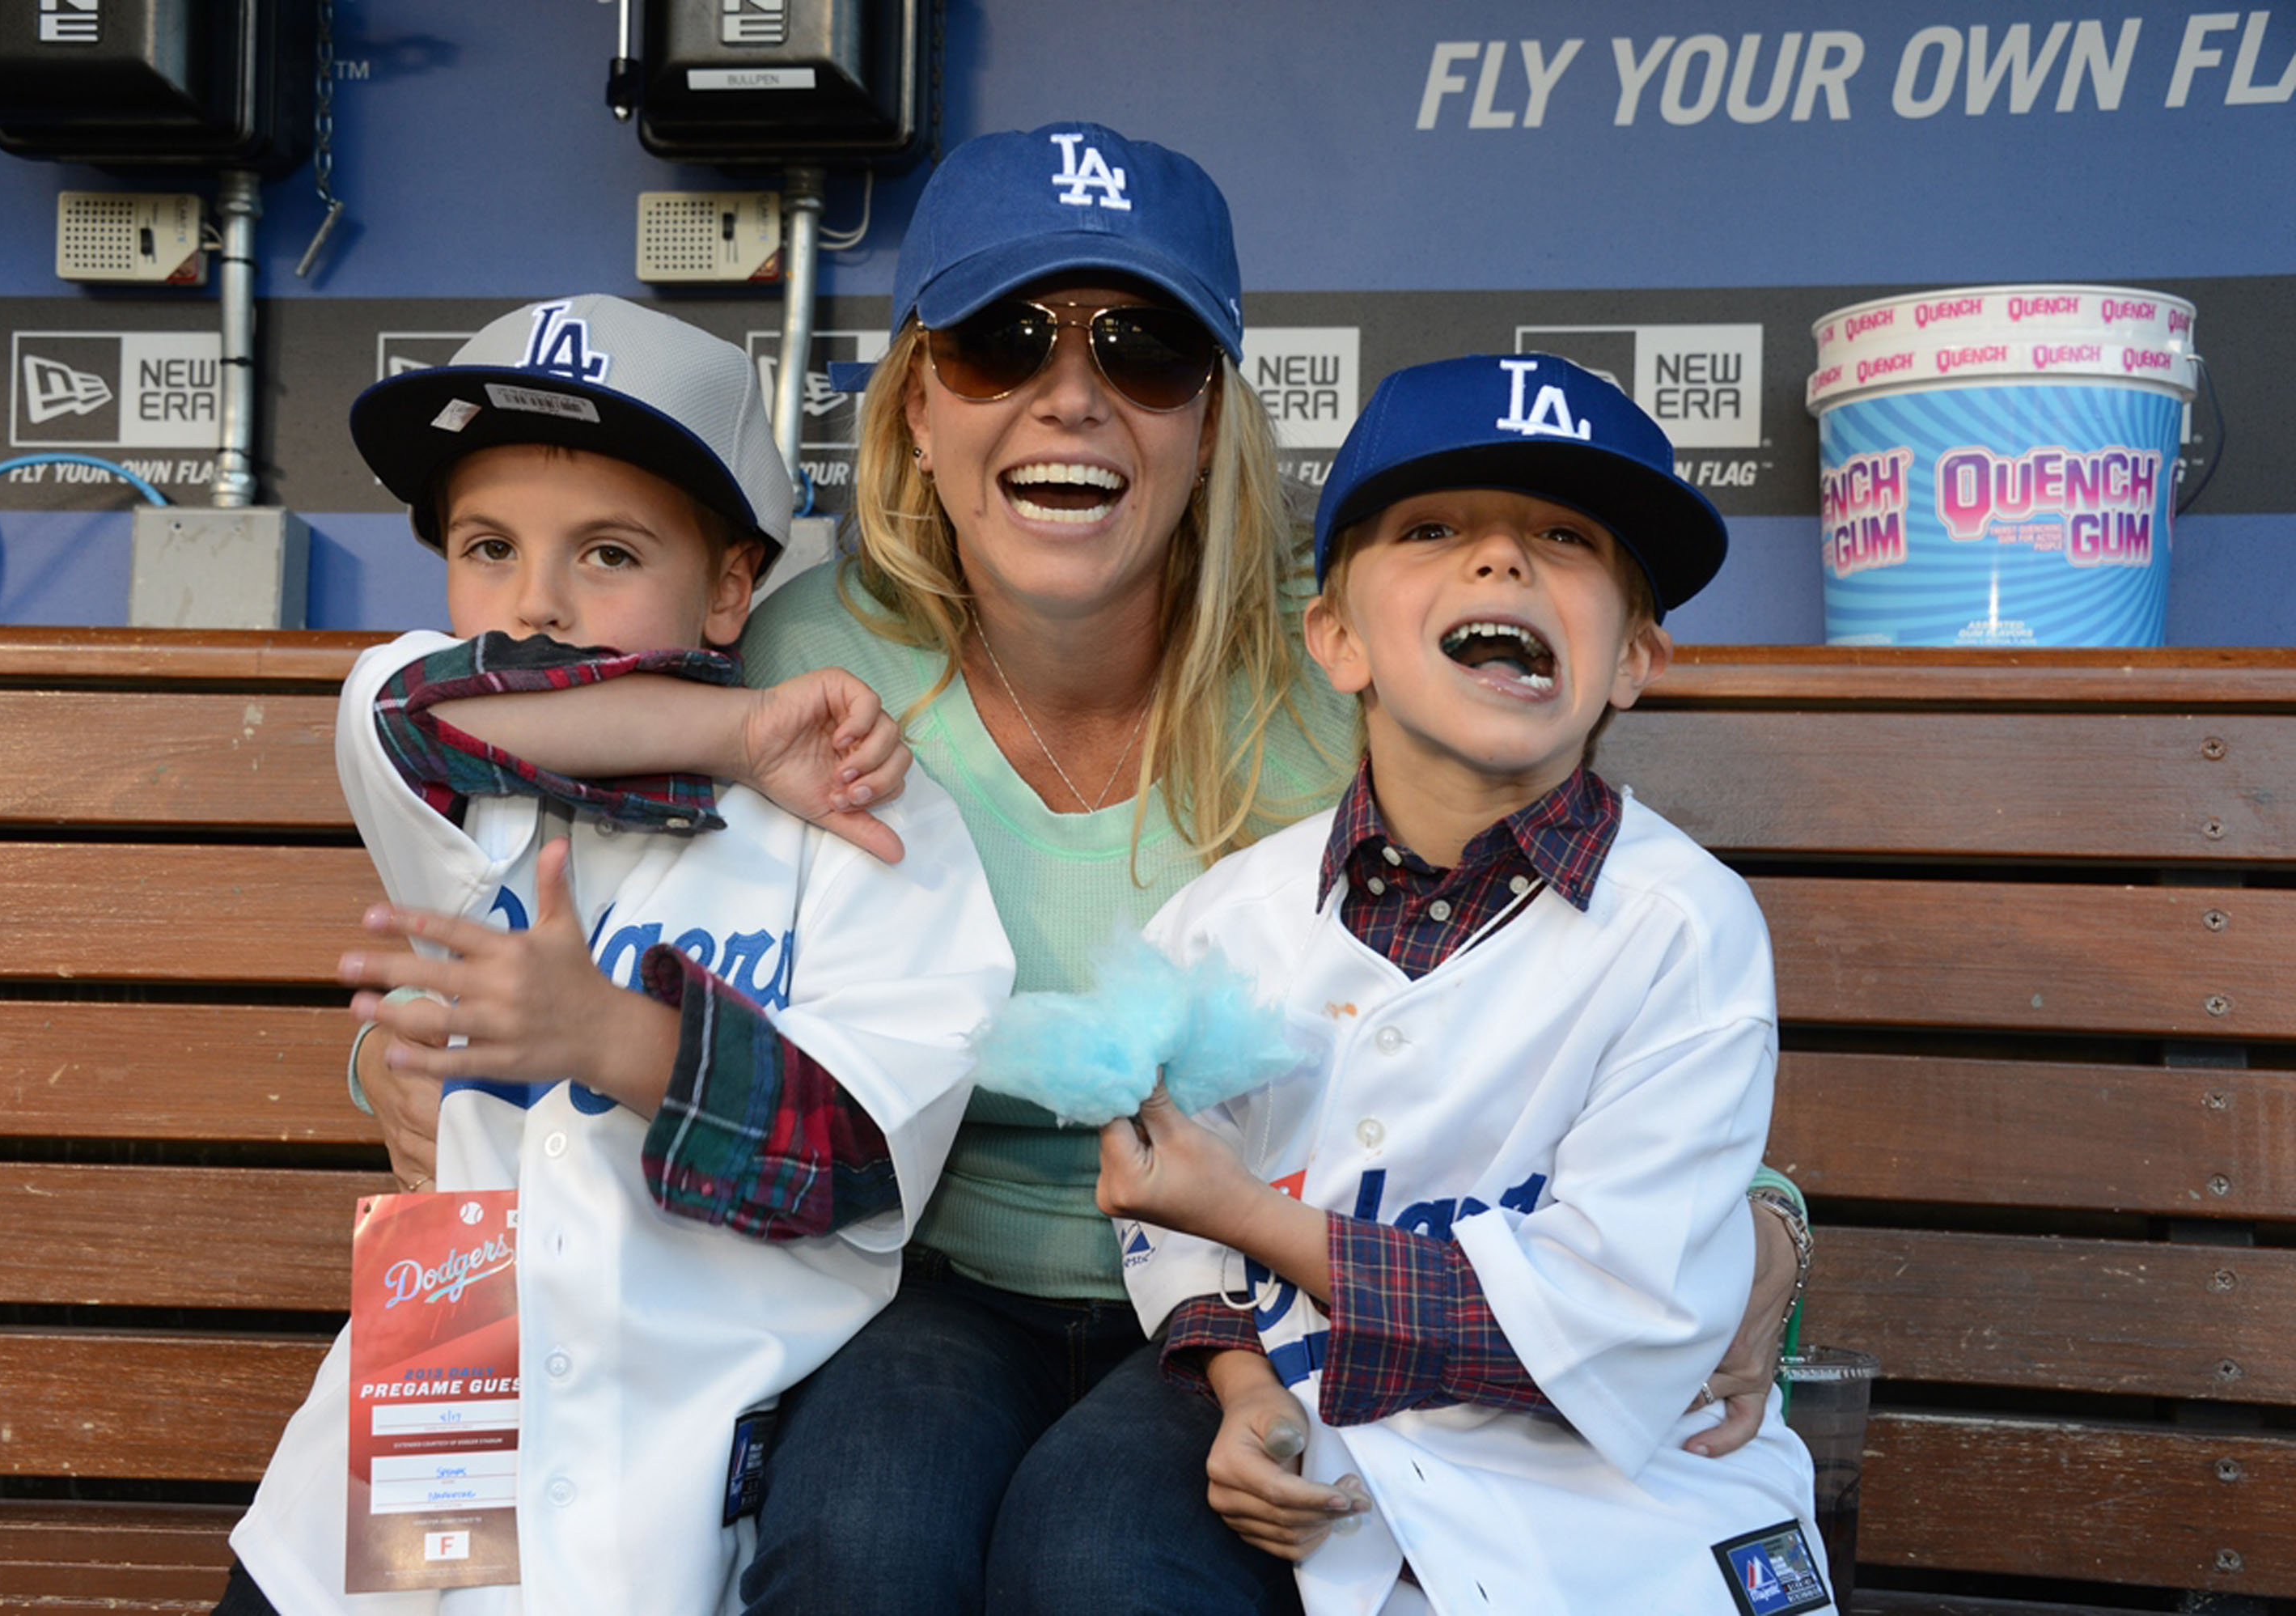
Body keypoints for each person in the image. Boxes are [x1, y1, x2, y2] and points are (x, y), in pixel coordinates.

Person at [720, 125, 1807, 1616]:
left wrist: (1765, 1221)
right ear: (916, 406)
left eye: (1148, 348)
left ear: (1216, 419)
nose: (1074, 395)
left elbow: (1564, 996)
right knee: (862, 1545)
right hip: (939, 1277)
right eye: (1000, 340)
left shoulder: (1357, 677)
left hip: (1287, 1304)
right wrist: (412, 1058)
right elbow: (637, 932)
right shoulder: (807, 664)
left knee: (1103, 1556)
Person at [220, 295, 1016, 1616]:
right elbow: (424, 703)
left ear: (726, 585)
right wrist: (741, 732)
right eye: (488, 546)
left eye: (606, 551)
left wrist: (611, 1041)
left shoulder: (871, 818)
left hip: (675, 1484)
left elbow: (862, 1156)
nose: (534, 601)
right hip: (411, 1451)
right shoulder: (444, 762)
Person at [1097, 352, 1830, 1614]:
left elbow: (1617, 1326)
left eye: (1565, 536)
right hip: (1339, 1472)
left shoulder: (1687, 924)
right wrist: (1244, 1384)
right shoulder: (1222, 918)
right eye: (1434, 529)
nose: (1503, 563)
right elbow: (1168, 1220)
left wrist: (1266, 1222)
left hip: (1629, 1509)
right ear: (1335, 637)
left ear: (1634, 659)